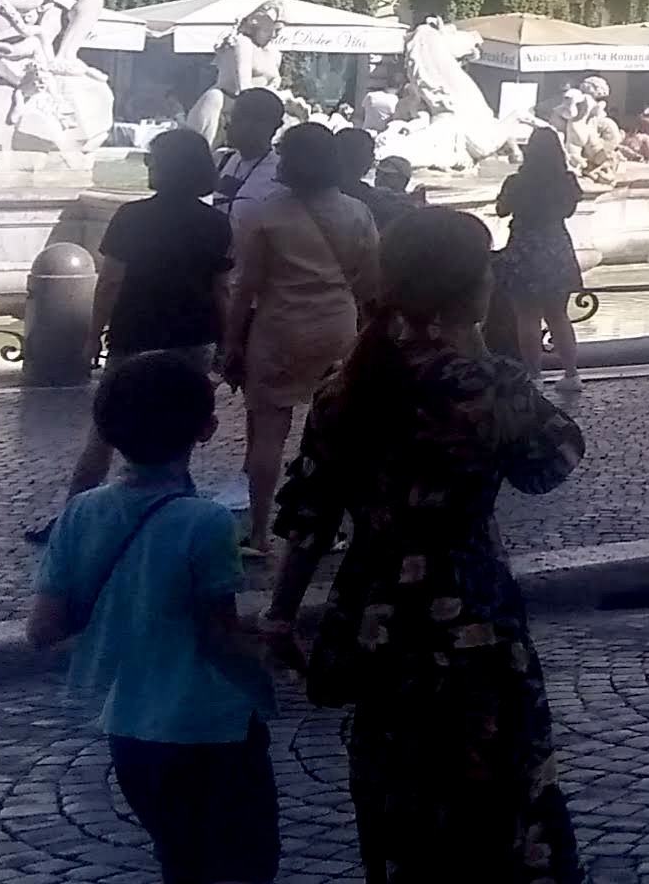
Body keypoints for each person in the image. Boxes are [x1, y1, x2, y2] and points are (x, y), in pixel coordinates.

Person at [263, 209, 587, 881]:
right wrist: (480, 353)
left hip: (378, 613)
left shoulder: (345, 386)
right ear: (469, 290)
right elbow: (550, 464)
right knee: (496, 784)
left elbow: (309, 516)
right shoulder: (488, 386)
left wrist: (281, 615)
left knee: (397, 787)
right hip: (472, 609)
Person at [26, 349, 280, 884]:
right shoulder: (208, 523)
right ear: (206, 430)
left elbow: (42, 629)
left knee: (180, 861)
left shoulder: (81, 512)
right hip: (213, 728)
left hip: (130, 729)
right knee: (245, 864)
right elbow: (218, 636)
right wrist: (266, 670)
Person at [32, 127, 232, 547]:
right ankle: (168, 519)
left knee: (105, 430)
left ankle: (71, 521)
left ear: (164, 167)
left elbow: (110, 282)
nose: (148, 165)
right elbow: (221, 290)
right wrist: (229, 342)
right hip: (193, 336)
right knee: (178, 430)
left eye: (151, 159)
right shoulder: (216, 222)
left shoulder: (132, 217)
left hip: (136, 333)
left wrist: (93, 335)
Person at [223, 122, 379, 562]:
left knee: (267, 433)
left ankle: (259, 532)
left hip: (278, 328)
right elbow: (372, 282)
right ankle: (334, 527)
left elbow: (246, 288)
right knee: (339, 433)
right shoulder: (357, 212)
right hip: (337, 328)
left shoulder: (265, 216)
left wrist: (231, 342)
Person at [494, 129, 587, 399]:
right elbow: (569, 210)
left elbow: (501, 210)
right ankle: (571, 373)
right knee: (558, 315)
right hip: (556, 247)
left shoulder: (517, 182)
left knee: (527, 316)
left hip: (524, 248)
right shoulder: (567, 181)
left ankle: (534, 375)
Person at [214, 87, 286, 222]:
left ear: (262, 126)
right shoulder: (222, 158)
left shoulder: (280, 175)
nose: (226, 126)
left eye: (235, 119)